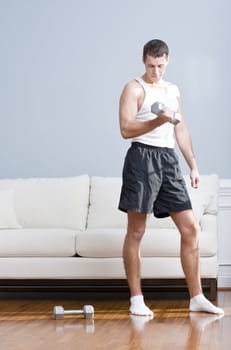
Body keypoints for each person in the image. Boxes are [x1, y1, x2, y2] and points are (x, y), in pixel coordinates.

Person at [118, 39, 224, 317]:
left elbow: (181, 128)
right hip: (141, 158)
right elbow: (126, 129)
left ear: (168, 61)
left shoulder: (172, 90)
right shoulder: (134, 88)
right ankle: (137, 299)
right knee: (137, 231)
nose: (156, 71)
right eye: (151, 66)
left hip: (168, 160)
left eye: (160, 66)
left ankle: (197, 297)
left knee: (190, 228)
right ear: (143, 61)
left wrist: (193, 164)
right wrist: (159, 120)